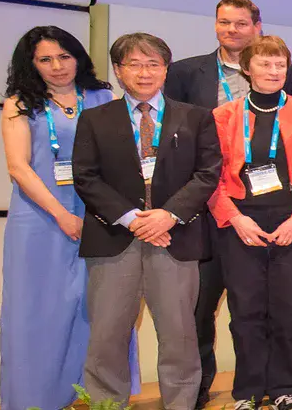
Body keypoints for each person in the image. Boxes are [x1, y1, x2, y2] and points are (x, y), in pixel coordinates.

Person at [164, 0, 292, 407]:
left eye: (241, 23)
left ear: (256, 27)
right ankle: (200, 385)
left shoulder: (288, 85)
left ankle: (277, 388)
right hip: (206, 206)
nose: (231, 30)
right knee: (205, 303)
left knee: (276, 305)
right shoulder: (187, 73)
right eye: (224, 22)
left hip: (274, 211)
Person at [74, 32, 222, 410]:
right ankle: (108, 404)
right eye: (134, 64)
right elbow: (86, 177)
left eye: (153, 64)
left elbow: (207, 174)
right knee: (107, 334)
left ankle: (181, 404)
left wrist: (168, 215)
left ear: (166, 69)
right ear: (119, 71)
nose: (144, 73)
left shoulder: (196, 118)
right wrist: (132, 219)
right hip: (114, 239)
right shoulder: (95, 119)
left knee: (180, 334)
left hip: (175, 238)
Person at [0, 25, 117, 410]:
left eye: (64, 56)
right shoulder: (20, 103)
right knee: (37, 311)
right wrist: (61, 214)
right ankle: (33, 400)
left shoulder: (102, 96)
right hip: (40, 221)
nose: (57, 66)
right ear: (32, 64)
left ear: (78, 56)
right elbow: (19, 168)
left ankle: (92, 398)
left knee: (95, 309)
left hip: (97, 216)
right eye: (45, 59)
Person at [206, 35, 292, 410]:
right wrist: (235, 219)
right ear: (247, 69)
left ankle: (285, 388)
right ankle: (247, 392)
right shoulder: (224, 116)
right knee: (246, 312)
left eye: (280, 64)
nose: (274, 71)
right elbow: (211, 177)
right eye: (265, 64)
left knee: (289, 311)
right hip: (242, 222)